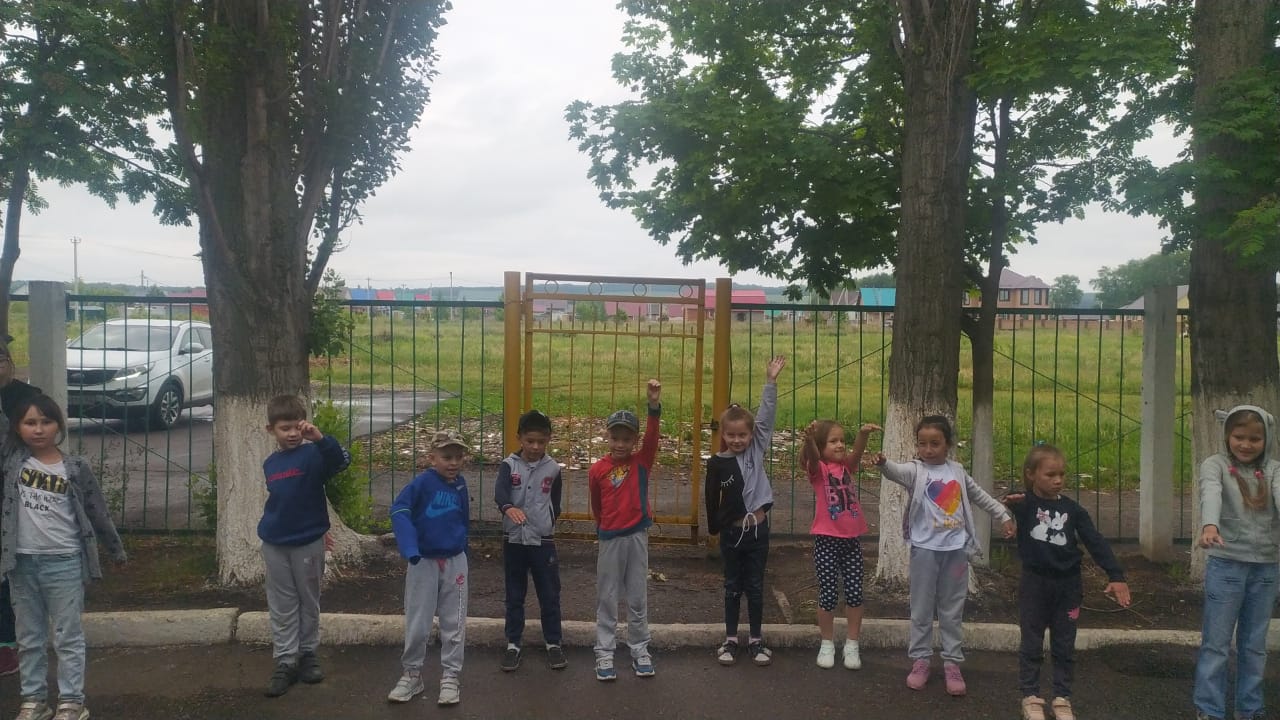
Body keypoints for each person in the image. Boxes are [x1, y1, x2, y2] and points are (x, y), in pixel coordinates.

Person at [0, 393, 126, 720]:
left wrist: (115, 549)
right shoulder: (11, 461)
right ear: (17, 428)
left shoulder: (75, 467)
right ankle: (34, 701)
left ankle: (72, 702)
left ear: (59, 425)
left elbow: (97, 511)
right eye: (29, 423)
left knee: (67, 636)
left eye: (46, 421)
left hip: (65, 562)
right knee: (29, 638)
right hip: (21, 563)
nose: (38, 429)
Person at [868, 414, 1014, 696]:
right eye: (922, 443)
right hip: (925, 551)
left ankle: (952, 663)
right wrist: (884, 463)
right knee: (921, 609)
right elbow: (896, 472)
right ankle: (921, 660)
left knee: (952, 609)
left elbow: (979, 495)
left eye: (935, 443)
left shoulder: (957, 472)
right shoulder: (916, 471)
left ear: (948, 444)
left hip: (955, 553)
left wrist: (1003, 514)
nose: (928, 449)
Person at [1003, 444, 1131, 720]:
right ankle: (1031, 696)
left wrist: (1116, 575)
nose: (1058, 480)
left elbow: (1095, 541)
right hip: (1035, 584)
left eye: (1061, 474)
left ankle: (1062, 697)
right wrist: (1009, 503)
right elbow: (1004, 503)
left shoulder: (1073, 510)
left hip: (1068, 586)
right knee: (1032, 641)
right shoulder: (1024, 505)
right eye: (1050, 474)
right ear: (1031, 474)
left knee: (1064, 643)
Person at [258, 394, 352, 698]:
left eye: (296, 427)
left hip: (308, 542)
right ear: (271, 430)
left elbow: (340, 462)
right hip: (275, 543)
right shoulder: (270, 464)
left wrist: (320, 438)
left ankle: (308, 653)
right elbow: (282, 501)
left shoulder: (314, 455)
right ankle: (285, 660)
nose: (292, 434)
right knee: (282, 604)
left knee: (308, 600)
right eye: (284, 428)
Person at [1192, 405, 1280, 720]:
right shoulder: (1215, 465)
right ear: (1228, 435)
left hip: (1266, 567)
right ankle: (1209, 709)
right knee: (1216, 643)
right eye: (1239, 436)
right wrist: (1209, 526)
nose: (1245, 444)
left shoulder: (1274, 470)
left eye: (1255, 438)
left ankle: (1250, 709)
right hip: (1226, 564)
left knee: (1255, 645)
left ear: (1266, 439)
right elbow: (1211, 493)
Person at [704, 355, 785, 667]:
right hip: (732, 533)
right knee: (732, 587)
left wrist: (770, 382)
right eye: (731, 435)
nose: (737, 440)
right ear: (723, 435)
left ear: (751, 436)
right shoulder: (718, 463)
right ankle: (730, 640)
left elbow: (765, 418)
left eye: (742, 435)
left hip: (758, 531)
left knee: (755, 586)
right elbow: (711, 499)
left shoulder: (756, 450)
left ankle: (755, 640)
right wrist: (715, 528)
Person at [387, 429, 472, 707]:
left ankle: (451, 676)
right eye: (447, 457)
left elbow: (463, 520)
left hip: (455, 560)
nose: (453, 463)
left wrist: (463, 549)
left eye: (458, 457)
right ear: (432, 457)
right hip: (423, 560)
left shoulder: (460, 485)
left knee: (454, 620)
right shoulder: (422, 484)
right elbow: (399, 510)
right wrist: (410, 548)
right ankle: (412, 673)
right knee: (418, 620)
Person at [589, 379, 662, 681]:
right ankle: (604, 652)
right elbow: (596, 503)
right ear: (607, 436)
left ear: (634, 441)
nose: (620, 444)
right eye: (615, 437)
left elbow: (653, 438)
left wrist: (653, 406)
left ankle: (640, 649)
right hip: (610, 538)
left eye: (626, 439)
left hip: (636, 537)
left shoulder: (641, 462)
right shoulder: (597, 470)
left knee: (637, 596)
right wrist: (604, 526)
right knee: (607, 597)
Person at [799, 418, 880, 671]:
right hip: (827, 541)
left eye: (842, 440)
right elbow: (813, 458)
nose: (840, 445)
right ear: (821, 446)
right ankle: (827, 643)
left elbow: (857, 454)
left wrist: (863, 434)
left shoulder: (846, 467)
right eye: (833, 441)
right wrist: (810, 441)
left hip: (851, 541)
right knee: (828, 595)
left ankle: (852, 644)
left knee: (855, 593)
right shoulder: (819, 471)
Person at [495, 409, 566, 672]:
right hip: (513, 540)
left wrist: (548, 521)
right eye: (530, 441)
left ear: (548, 440)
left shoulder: (553, 469)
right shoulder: (509, 465)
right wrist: (508, 508)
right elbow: (500, 492)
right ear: (519, 438)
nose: (535, 447)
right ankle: (513, 643)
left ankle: (553, 643)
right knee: (515, 594)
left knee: (549, 594)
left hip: (542, 542)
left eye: (541, 441)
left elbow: (555, 501)